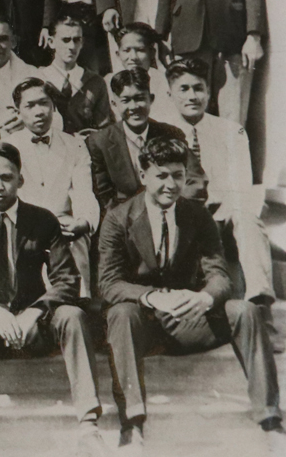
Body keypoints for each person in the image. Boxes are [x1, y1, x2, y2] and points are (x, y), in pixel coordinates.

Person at [98, 137, 284, 454]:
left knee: (246, 311)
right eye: (162, 175)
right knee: (120, 313)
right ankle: (132, 426)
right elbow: (109, 283)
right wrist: (153, 297)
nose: (171, 184)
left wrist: (205, 298)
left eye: (178, 175)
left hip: (190, 320)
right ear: (143, 176)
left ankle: (270, 422)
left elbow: (219, 275)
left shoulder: (197, 217)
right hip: (142, 325)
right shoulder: (119, 218)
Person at [0, 143, 106, 457]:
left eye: (7, 177)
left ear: (20, 180)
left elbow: (67, 279)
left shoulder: (42, 221)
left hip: (33, 324)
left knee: (72, 315)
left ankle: (88, 425)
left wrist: (35, 310)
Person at [163, 58, 277, 337]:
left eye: (199, 88)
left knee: (247, 217)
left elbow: (241, 187)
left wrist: (216, 214)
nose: (192, 96)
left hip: (222, 214)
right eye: (184, 89)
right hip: (180, 217)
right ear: (170, 93)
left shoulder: (231, 131)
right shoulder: (161, 131)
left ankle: (260, 306)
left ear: (210, 92)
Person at [4, 78, 99, 296]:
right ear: (18, 111)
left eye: (44, 103)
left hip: (64, 227)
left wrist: (82, 222)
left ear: (53, 107)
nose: (39, 111)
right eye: (30, 105)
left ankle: (78, 303)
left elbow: (84, 191)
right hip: (23, 229)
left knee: (77, 243)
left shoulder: (74, 144)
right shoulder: (8, 146)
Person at [86, 68, 187, 213]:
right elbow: (104, 196)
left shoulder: (172, 135)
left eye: (140, 98)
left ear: (151, 99)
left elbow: (188, 182)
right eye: (126, 100)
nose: (133, 107)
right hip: (124, 219)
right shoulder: (99, 141)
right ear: (114, 104)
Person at [39, 15, 113, 134]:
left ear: (82, 43)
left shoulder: (95, 82)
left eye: (76, 40)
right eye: (66, 40)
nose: (72, 47)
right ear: (51, 42)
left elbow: (105, 129)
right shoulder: (39, 79)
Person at [104, 22, 176, 122]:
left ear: (151, 53)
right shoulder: (107, 83)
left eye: (140, 50)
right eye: (127, 50)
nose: (133, 57)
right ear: (118, 54)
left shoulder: (165, 82)